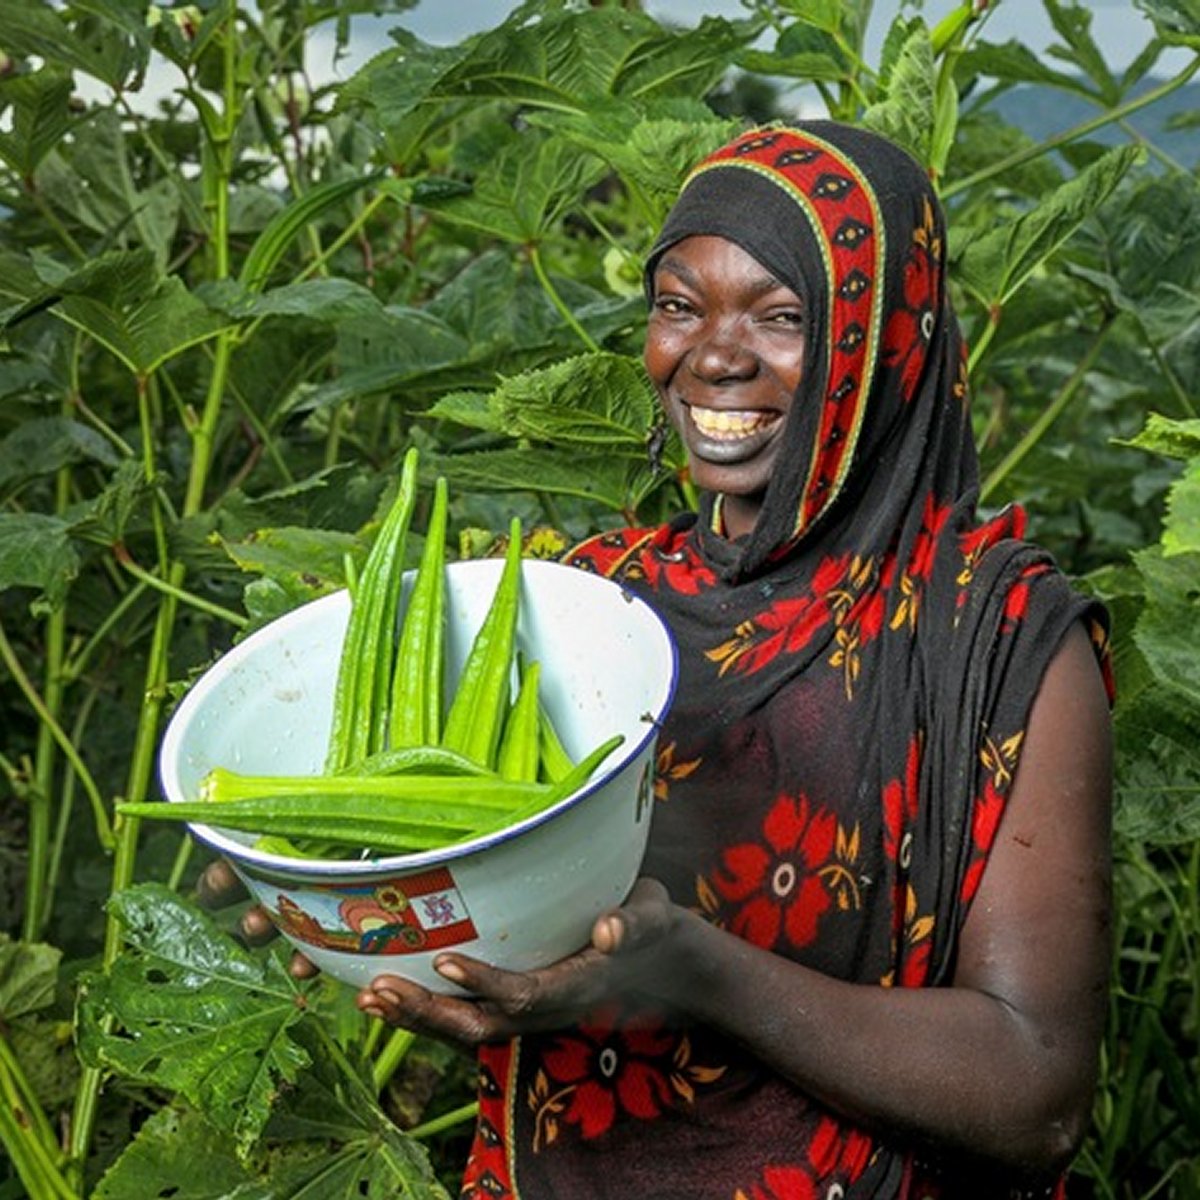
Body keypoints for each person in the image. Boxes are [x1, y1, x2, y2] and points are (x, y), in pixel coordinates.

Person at [207, 121, 1115, 1199]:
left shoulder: (998, 632)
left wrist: (692, 975)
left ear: (888, 344)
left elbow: (1035, 1096)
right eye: (679, 304)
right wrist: (358, 909)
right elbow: (495, 916)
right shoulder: (589, 598)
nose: (714, 356)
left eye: (783, 318)